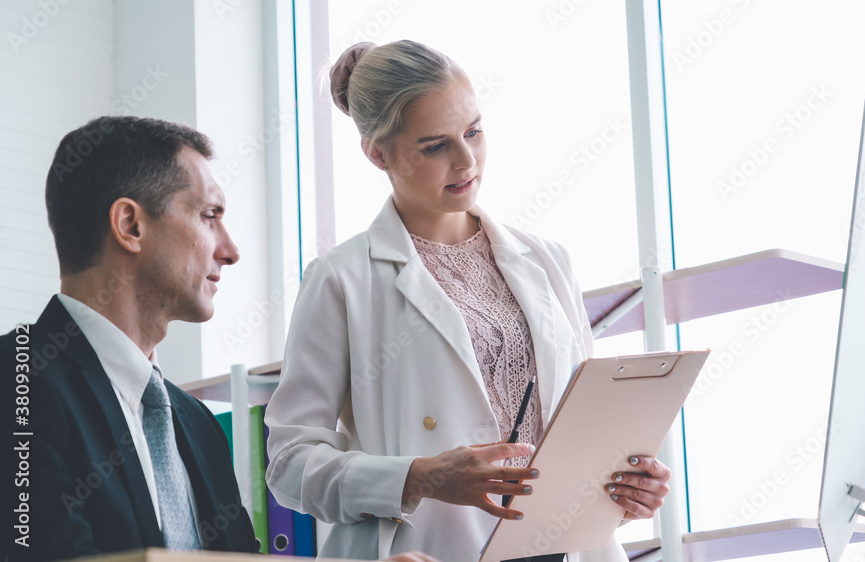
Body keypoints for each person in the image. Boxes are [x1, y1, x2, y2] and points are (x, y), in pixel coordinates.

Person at [263, 40, 672, 562]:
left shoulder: (546, 260)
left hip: (569, 547)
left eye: (474, 132)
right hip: (429, 549)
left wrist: (631, 484)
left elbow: (581, 418)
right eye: (435, 146)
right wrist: (418, 477)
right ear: (377, 153)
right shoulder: (341, 280)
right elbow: (290, 466)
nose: (466, 161)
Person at [2, 116, 436, 562]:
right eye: (209, 216)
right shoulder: (14, 382)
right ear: (130, 225)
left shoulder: (195, 422)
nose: (230, 251)